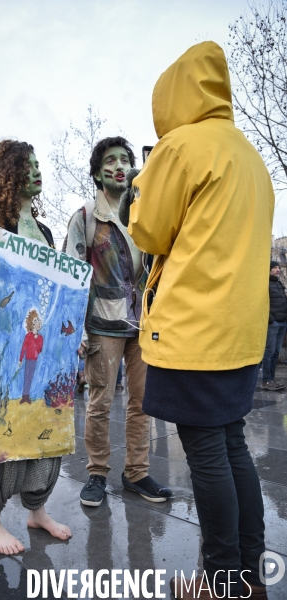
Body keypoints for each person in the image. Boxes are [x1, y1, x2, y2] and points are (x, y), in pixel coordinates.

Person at [126, 42, 274, 599]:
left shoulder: (182, 146)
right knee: (232, 445)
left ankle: (220, 580)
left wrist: (142, 188)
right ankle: (250, 572)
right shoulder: (250, 156)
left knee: (207, 452)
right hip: (239, 330)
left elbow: (149, 231)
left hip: (193, 329)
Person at [0, 139, 71, 555]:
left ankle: (37, 510)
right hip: (0, 349)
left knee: (45, 429)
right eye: (29, 167)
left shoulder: (45, 232)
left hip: (43, 350)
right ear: (9, 176)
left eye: (40, 165)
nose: (38, 172)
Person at [66, 136, 172, 507]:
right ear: (97, 173)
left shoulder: (143, 215)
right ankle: (96, 473)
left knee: (143, 402)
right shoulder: (85, 218)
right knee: (100, 402)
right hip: (102, 325)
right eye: (110, 160)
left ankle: (137, 473)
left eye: (125, 160)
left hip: (142, 324)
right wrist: (76, 328)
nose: (119, 166)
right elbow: (74, 277)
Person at [261, 261, 287, 391]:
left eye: (278, 267)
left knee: (276, 352)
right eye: (275, 268)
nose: (278, 270)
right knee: (269, 351)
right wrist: (271, 319)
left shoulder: (279, 283)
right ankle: (266, 380)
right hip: (274, 323)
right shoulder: (265, 284)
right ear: (269, 269)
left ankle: (272, 379)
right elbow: (262, 303)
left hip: (283, 322)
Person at [18, 309, 43, 404]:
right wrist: (20, 359)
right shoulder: (28, 336)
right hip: (28, 359)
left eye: (38, 320)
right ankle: (24, 396)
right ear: (31, 324)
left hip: (34, 360)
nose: (38, 322)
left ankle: (27, 396)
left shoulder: (40, 337)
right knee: (26, 377)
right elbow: (23, 347)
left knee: (30, 377)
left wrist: (36, 341)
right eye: (35, 321)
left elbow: (40, 349)